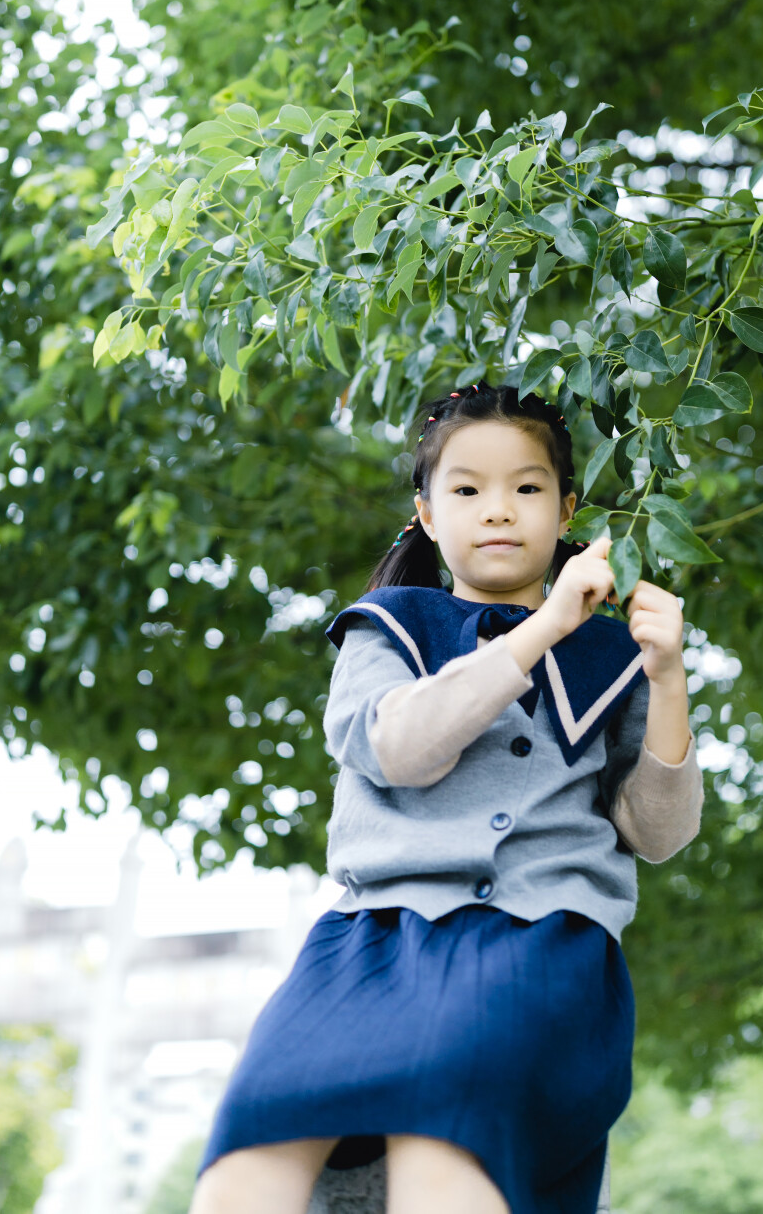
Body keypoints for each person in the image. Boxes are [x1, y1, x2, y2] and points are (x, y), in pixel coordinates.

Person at [191, 378, 705, 1214]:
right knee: (245, 1162)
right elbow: (401, 746)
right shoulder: (386, 627)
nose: (498, 510)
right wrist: (545, 630)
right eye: (467, 489)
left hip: (539, 944)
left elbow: (657, 831)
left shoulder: (613, 660)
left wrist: (669, 675)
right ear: (429, 515)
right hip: (371, 940)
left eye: (527, 488)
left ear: (566, 510)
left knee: (447, 1149)